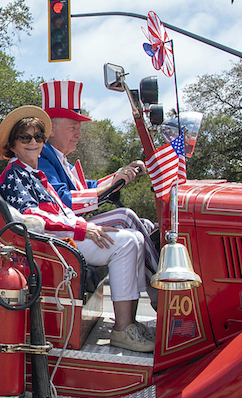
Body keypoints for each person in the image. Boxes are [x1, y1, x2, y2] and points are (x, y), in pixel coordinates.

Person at [0, 106, 154, 353]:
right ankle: (124, 328)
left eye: (38, 137)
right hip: (48, 244)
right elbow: (31, 216)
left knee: (132, 237)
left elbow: (61, 210)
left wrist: (88, 225)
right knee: (126, 243)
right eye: (25, 138)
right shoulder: (15, 174)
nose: (34, 142)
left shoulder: (36, 175)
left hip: (60, 237)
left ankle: (129, 324)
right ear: (12, 145)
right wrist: (82, 228)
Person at [37, 80, 159, 274]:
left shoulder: (58, 158)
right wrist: (113, 181)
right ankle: (161, 280)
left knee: (146, 225)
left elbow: (86, 186)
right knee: (125, 216)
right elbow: (65, 200)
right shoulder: (41, 158)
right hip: (59, 231)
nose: (79, 134)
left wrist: (121, 174)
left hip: (72, 226)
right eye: (73, 128)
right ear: (51, 129)